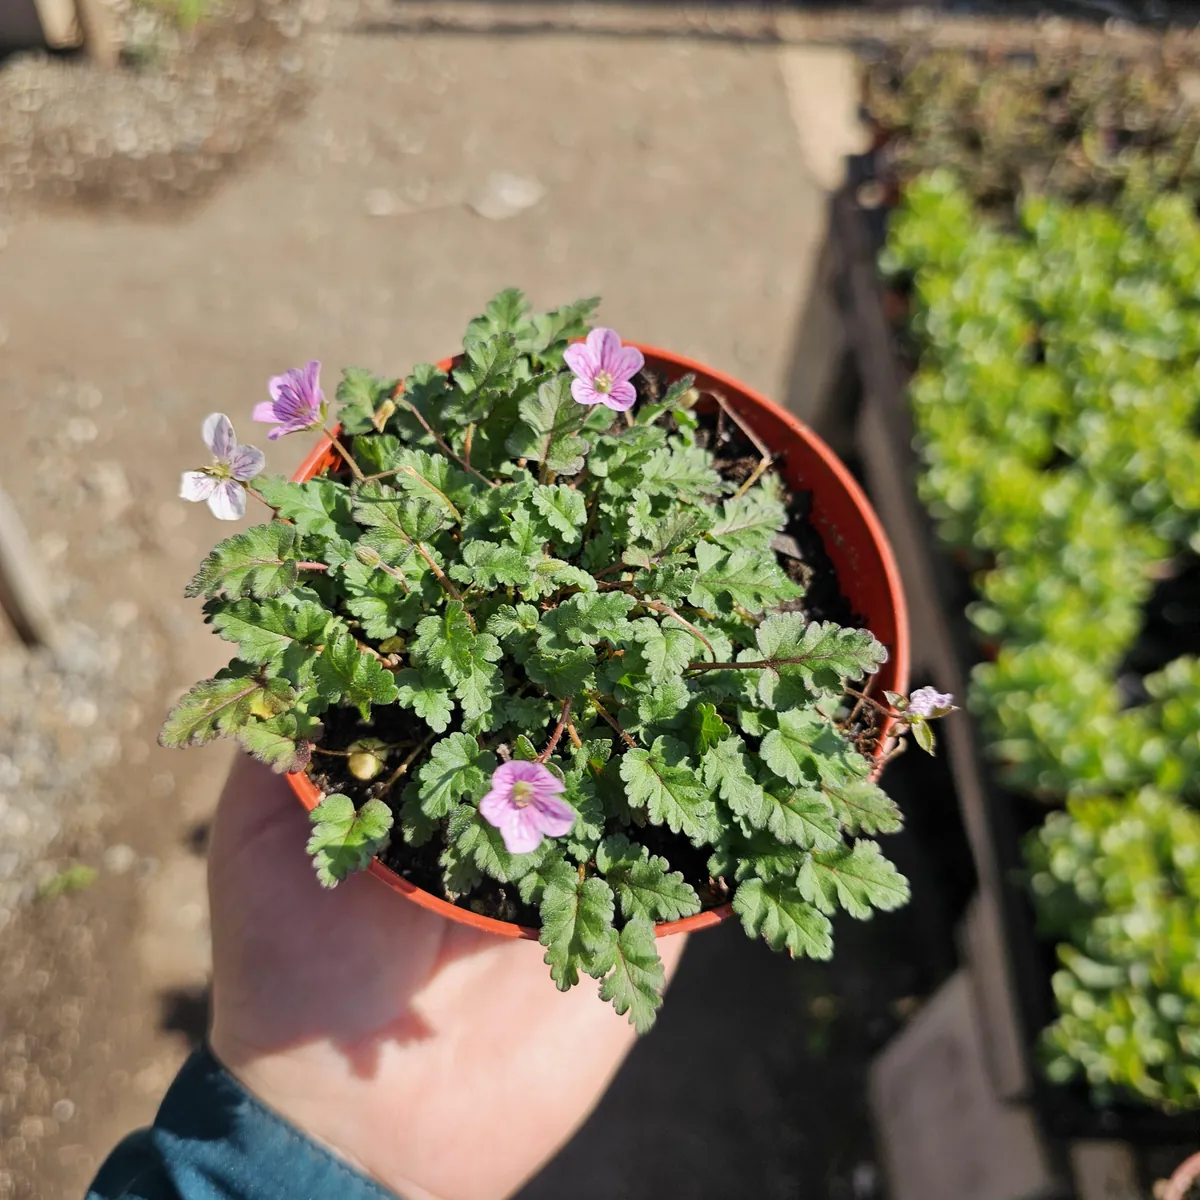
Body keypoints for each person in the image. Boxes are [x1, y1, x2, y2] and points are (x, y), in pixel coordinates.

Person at [87, 755, 687, 1200]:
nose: (524, 793)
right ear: (513, 781)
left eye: (529, 791)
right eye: (519, 788)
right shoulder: (506, 788)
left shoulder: (535, 797)